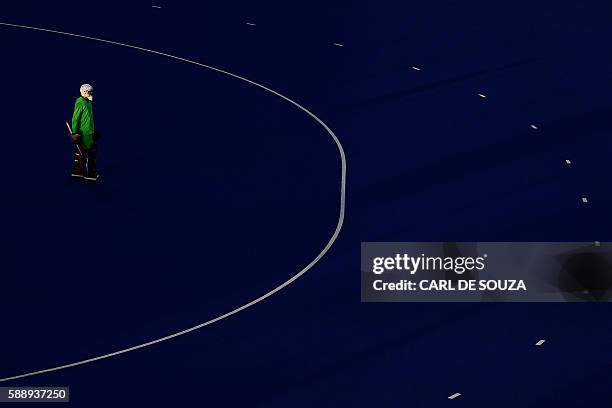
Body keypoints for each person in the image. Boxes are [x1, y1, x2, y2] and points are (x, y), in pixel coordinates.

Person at [70, 84, 100, 181]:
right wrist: (74, 133)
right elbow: (75, 118)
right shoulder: (80, 102)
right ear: (85, 92)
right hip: (84, 134)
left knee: (89, 152)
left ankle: (83, 172)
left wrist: (93, 130)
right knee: (86, 152)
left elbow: (89, 119)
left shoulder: (88, 102)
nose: (92, 93)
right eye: (90, 92)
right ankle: (86, 173)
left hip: (89, 132)